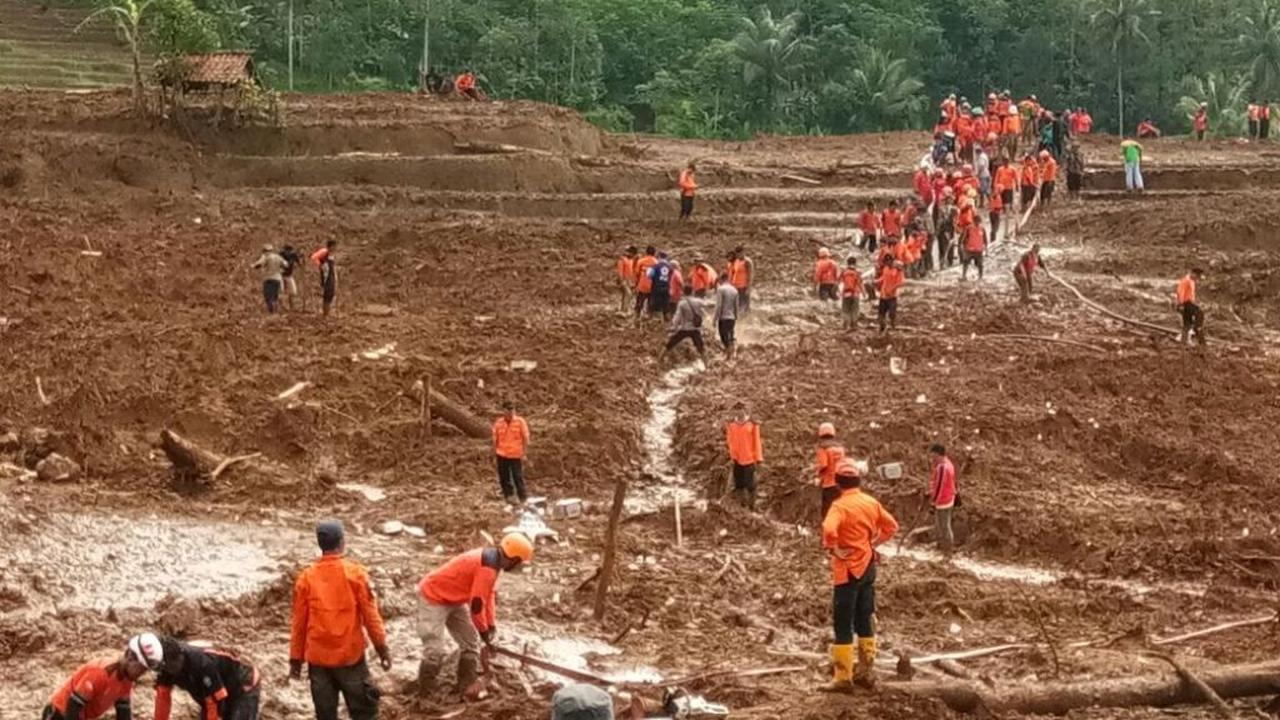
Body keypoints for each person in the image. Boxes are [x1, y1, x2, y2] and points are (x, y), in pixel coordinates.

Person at [289, 520, 391, 720]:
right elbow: (371, 616)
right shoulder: (356, 574)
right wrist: (382, 648)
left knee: (325, 715)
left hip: (318, 661)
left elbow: (299, 623)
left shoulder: (306, 578)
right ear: (342, 542)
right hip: (350, 657)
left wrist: (295, 660)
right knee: (365, 713)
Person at [416, 533, 534, 698]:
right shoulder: (487, 567)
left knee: (471, 643)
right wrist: (484, 632)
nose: (518, 567)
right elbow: (477, 606)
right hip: (433, 596)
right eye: (519, 563)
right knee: (435, 651)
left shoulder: (495, 563)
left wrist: (491, 625)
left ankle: (464, 687)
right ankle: (425, 697)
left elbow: (489, 596)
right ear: (513, 558)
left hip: (454, 599)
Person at [822, 457, 898, 691]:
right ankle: (866, 672)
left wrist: (834, 547)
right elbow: (892, 526)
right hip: (868, 566)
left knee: (843, 622)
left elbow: (828, 528)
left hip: (848, 571)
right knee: (865, 619)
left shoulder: (839, 506)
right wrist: (873, 543)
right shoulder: (870, 502)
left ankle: (843, 678)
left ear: (838, 483)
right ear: (857, 480)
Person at [43, 635, 161, 720]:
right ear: (130, 657)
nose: (141, 674)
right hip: (59, 715)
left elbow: (123, 711)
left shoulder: (126, 680)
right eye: (141, 668)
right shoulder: (100, 673)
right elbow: (72, 707)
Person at [154, 638, 260, 720]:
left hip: (242, 684)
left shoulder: (202, 664)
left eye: (173, 667)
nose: (170, 672)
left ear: (180, 658)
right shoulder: (165, 665)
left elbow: (215, 703)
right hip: (214, 691)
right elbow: (162, 698)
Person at [725, 403, 763, 510]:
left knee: (751, 485)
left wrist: (758, 458)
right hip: (737, 459)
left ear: (744, 411)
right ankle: (742, 505)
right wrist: (732, 457)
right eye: (736, 410)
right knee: (739, 484)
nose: (739, 413)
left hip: (749, 459)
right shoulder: (732, 425)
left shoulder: (752, 424)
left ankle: (752, 506)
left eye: (741, 410)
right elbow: (730, 442)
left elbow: (757, 442)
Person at [492, 401, 531, 505]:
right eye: (508, 409)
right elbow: (495, 439)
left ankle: (523, 498)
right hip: (502, 454)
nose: (510, 412)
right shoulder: (498, 423)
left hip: (515, 454)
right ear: (503, 410)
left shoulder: (520, 422)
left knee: (517, 477)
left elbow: (525, 438)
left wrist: (524, 453)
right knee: (504, 477)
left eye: (512, 409)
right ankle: (509, 497)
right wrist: (494, 453)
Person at [662, 284, 708, 364]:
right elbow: (707, 304)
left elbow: (677, 317)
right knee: (701, 348)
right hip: (695, 329)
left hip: (684, 328)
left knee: (670, 344)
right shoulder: (697, 301)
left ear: (683, 292)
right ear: (692, 292)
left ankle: (660, 360)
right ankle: (707, 366)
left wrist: (674, 327)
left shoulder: (682, 303)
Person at [813, 423, 847, 520]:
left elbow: (823, 465)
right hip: (841, 483)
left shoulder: (823, 448)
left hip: (829, 484)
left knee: (828, 510)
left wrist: (817, 473)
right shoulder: (840, 448)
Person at [927, 445, 957, 554]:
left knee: (944, 526)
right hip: (949, 497)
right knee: (942, 525)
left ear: (937, 454)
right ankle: (942, 547)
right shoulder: (949, 464)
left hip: (943, 500)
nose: (932, 458)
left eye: (933, 455)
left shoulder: (942, 467)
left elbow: (939, 486)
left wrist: (934, 501)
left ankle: (947, 550)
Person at [251, 244, 286, 314]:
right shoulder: (278, 257)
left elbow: (259, 264)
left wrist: (253, 265)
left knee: (268, 296)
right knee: (275, 296)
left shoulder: (265, 256)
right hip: (278, 279)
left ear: (264, 251)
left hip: (269, 279)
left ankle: (271, 312)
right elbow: (286, 264)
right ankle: (276, 311)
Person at [1175, 268, 1205, 346]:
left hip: (1189, 303)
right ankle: (1195, 329)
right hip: (1185, 303)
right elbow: (1180, 293)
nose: (1197, 278)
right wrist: (1180, 304)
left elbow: (1191, 294)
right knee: (1199, 313)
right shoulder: (1185, 281)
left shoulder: (1192, 281)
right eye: (1197, 276)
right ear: (1192, 273)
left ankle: (1184, 340)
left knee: (1187, 323)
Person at [713, 273, 739, 359]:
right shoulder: (735, 290)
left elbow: (719, 305)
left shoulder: (721, 289)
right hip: (731, 317)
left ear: (721, 280)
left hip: (723, 317)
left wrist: (715, 318)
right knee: (730, 334)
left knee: (723, 336)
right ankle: (732, 352)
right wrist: (736, 316)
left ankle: (728, 353)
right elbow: (736, 306)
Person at [876, 256, 904, 333]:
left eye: (888, 262)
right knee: (881, 313)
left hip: (892, 295)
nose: (887, 263)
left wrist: (892, 289)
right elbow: (883, 278)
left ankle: (892, 327)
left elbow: (900, 282)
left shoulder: (898, 270)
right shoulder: (886, 268)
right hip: (883, 294)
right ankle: (882, 327)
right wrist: (877, 281)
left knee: (892, 313)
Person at [647, 251, 675, 321]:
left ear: (659, 257)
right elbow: (672, 277)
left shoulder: (655, 266)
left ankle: (658, 323)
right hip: (667, 288)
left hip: (657, 288)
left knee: (657, 306)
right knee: (666, 306)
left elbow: (649, 275)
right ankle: (667, 322)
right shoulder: (670, 267)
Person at [633, 246, 658, 320]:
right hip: (652, 286)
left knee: (639, 303)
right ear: (654, 253)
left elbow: (636, 273)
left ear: (646, 252)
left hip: (642, 285)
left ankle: (636, 317)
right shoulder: (656, 262)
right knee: (650, 304)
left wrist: (636, 283)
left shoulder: (641, 261)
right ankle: (649, 318)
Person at [727, 246, 753, 314]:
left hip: (744, 287)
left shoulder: (747, 261)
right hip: (736, 287)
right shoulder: (737, 261)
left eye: (740, 253)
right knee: (737, 305)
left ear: (743, 252)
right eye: (737, 254)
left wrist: (748, 288)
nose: (738, 255)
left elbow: (750, 275)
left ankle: (746, 319)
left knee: (744, 305)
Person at [314, 240, 338, 317]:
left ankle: (327, 312)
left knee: (331, 293)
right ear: (330, 246)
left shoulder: (332, 255)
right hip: (327, 276)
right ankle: (325, 314)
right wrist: (320, 266)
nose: (335, 248)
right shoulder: (325, 252)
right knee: (327, 294)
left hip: (331, 275)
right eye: (334, 246)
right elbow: (314, 257)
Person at [839, 257, 863, 332]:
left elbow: (839, 281)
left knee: (846, 309)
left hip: (846, 293)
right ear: (855, 263)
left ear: (847, 263)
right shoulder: (857, 272)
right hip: (855, 293)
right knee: (854, 309)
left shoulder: (844, 272)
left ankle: (845, 324)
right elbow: (860, 283)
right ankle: (854, 325)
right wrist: (864, 293)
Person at [616, 246, 638, 314]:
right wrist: (621, 281)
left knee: (625, 295)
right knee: (628, 294)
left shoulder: (630, 260)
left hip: (628, 281)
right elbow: (620, 271)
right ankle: (624, 310)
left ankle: (623, 309)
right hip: (623, 280)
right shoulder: (622, 260)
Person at [281, 244, 302, 310]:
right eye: (286, 251)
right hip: (281, 275)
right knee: (281, 292)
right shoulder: (281, 255)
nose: (287, 253)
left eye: (288, 251)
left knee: (292, 292)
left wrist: (301, 260)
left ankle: (291, 307)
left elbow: (299, 263)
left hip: (289, 275)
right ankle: (282, 306)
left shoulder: (293, 255)